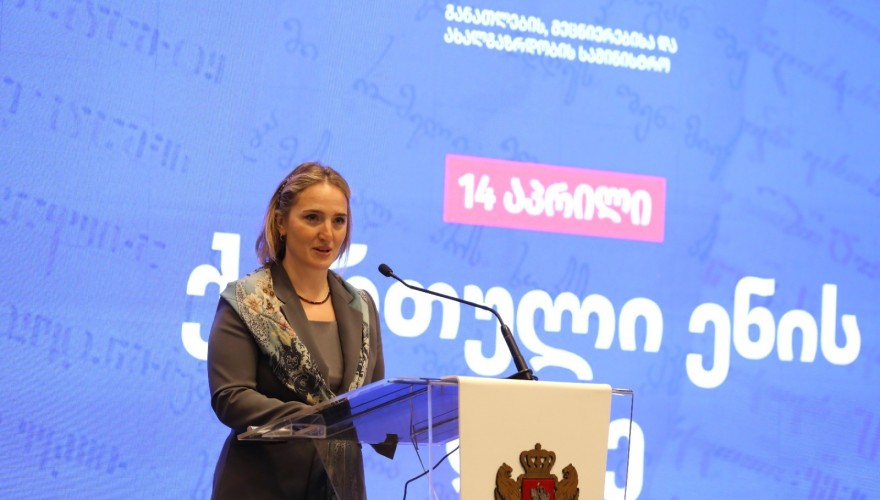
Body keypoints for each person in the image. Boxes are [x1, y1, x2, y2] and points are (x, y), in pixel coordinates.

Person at [207, 162, 386, 499]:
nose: (328, 234)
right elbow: (231, 397)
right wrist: (321, 420)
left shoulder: (361, 306)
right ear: (281, 223)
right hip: (261, 486)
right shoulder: (248, 299)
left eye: (338, 220)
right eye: (313, 218)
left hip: (340, 487)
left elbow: (371, 402)